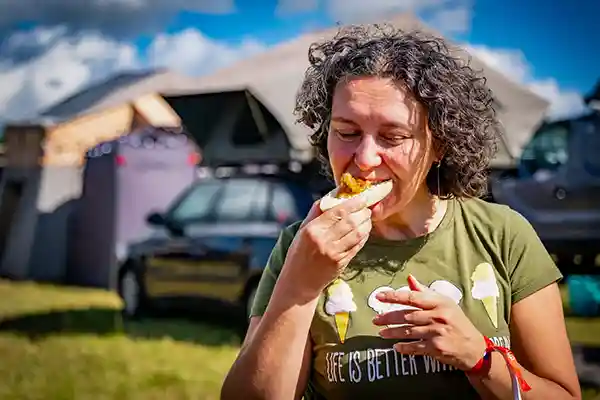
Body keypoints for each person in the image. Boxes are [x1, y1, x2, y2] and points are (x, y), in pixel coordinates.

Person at [221, 24, 581, 400]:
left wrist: (478, 357)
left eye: (393, 137)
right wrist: (299, 282)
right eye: (346, 132)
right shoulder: (303, 243)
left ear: (439, 144)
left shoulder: (503, 235)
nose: (364, 158)